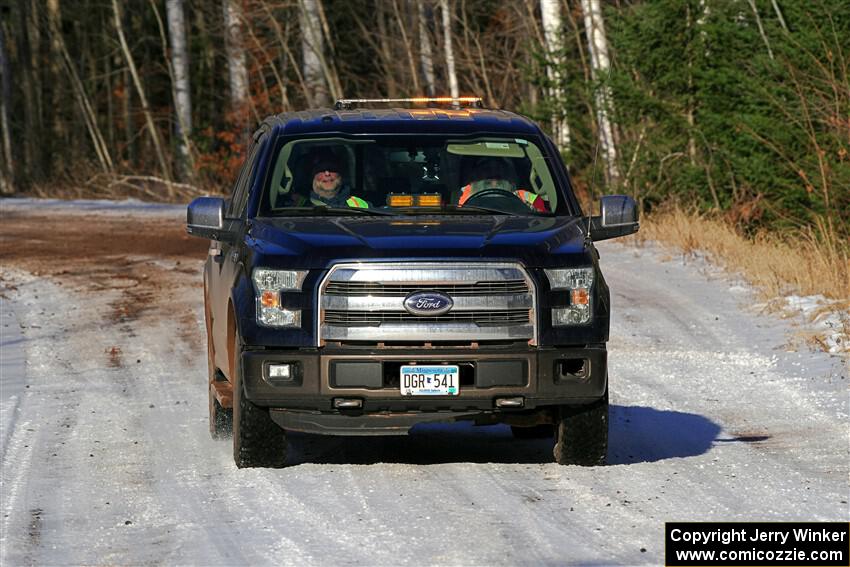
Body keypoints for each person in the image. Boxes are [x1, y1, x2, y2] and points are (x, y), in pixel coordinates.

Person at [457, 157, 548, 212]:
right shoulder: (461, 195)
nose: (493, 171)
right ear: (477, 173)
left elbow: (543, 219)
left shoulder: (526, 197)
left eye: (499, 167)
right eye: (486, 167)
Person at [289, 150, 370, 208]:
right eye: (320, 170)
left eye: (332, 169)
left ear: (340, 174)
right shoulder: (296, 205)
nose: (327, 173)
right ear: (311, 175)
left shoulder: (357, 203)